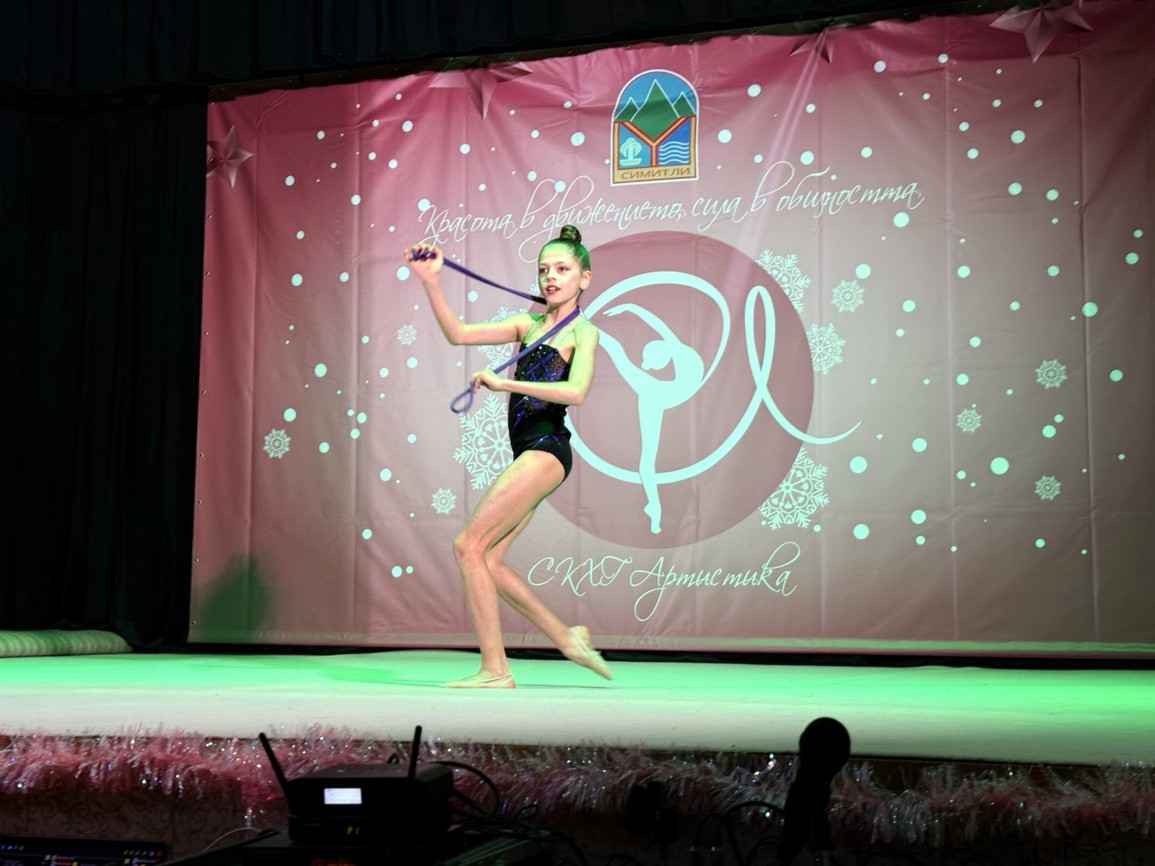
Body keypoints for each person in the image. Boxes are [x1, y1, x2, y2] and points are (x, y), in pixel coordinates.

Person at [405, 225, 613, 688]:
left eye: (563, 269)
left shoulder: (584, 332)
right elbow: (458, 334)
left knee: (467, 545)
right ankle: (567, 638)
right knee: (490, 560)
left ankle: (495, 670)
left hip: (548, 448)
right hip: (529, 450)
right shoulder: (527, 324)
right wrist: (431, 281)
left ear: (584, 278)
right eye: (544, 270)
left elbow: (576, 391)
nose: (551, 277)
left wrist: (506, 383)